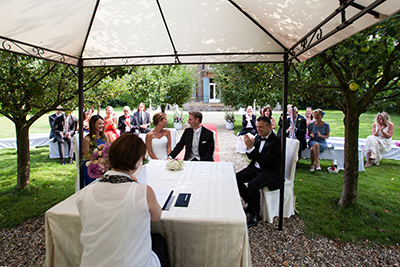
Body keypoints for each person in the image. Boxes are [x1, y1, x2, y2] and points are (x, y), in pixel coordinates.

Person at [76, 133, 169, 267]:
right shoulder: (143, 192)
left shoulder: (85, 193)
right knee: (158, 240)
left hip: (91, 262)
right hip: (131, 263)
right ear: (137, 161)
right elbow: (156, 217)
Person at [236, 116, 281, 228]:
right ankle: (250, 204)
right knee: (236, 178)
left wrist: (252, 148)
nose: (258, 129)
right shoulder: (258, 137)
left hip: (269, 171)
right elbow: (252, 157)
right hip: (255, 168)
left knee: (252, 185)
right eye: (257, 127)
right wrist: (248, 147)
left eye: (261, 127)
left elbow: (265, 162)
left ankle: (255, 214)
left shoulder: (276, 142)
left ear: (269, 127)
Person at [83, 115, 110, 186]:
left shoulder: (105, 136)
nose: (102, 126)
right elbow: (86, 156)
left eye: (103, 124)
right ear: (93, 124)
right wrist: (97, 156)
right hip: (92, 164)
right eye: (99, 124)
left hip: (104, 163)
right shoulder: (88, 139)